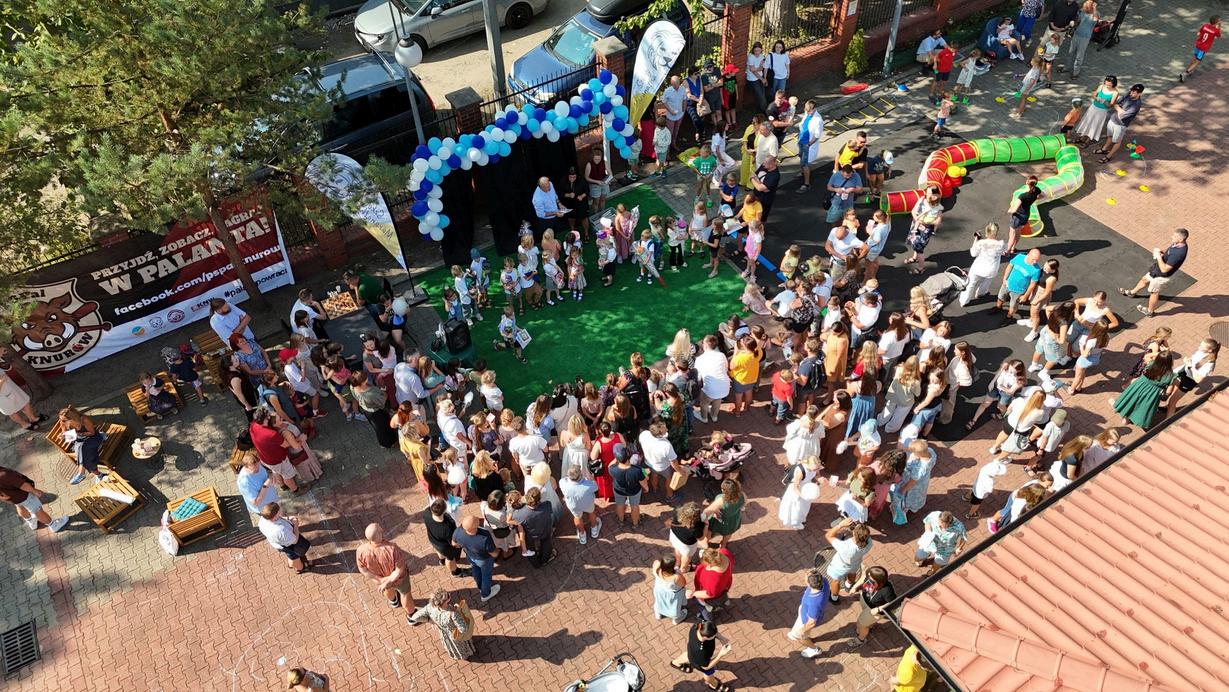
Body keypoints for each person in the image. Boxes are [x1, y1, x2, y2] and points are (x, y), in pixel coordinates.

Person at [356, 522, 426, 624]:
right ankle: (412, 616)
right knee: (405, 594)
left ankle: (393, 601)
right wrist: (388, 581)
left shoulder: (361, 551)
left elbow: (363, 570)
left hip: (381, 580)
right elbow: (399, 569)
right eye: (380, 530)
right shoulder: (392, 549)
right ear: (378, 535)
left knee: (387, 589)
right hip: (398, 579)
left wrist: (381, 580)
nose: (382, 530)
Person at [1119, 228, 1189, 317]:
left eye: (1175, 236)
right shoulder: (1177, 244)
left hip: (1162, 276)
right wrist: (1162, 252)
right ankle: (1132, 293)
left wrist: (1158, 257)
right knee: (1144, 279)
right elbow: (1169, 253)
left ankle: (1150, 312)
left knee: (1154, 292)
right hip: (1157, 269)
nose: (1172, 237)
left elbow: (1165, 269)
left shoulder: (1178, 253)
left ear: (1181, 239)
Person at [1112, 351, 1177, 429]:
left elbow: (1147, 356)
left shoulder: (1151, 364)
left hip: (1139, 386)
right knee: (1142, 406)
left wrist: (1158, 354)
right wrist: (1164, 395)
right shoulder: (1171, 375)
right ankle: (1132, 419)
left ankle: (1126, 418)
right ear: (1170, 362)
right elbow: (1168, 391)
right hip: (1152, 393)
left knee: (1133, 400)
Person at [1, 463, 69, 532]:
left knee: (20, 506)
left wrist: (7, 499)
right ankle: (53, 525)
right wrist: (35, 491)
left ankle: (31, 522)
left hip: (14, 498)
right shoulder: (4, 475)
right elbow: (23, 485)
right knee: (37, 510)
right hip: (24, 495)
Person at [670, 620, 732, 691]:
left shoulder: (700, 625)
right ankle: (714, 685)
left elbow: (713, 631)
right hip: (700, 662)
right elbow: (706, 667)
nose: (715, 636)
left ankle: (675, 663)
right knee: (709, 673)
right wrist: (720, 655)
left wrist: (722, 638)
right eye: (714, 636)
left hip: (691, 650)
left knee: (689, 655)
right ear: (706, 637)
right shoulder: (701, 651)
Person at [451, 515, 501, 602]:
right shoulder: (484, 536)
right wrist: (498, 551)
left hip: (470, 556)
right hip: (484, 560)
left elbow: (454, 544)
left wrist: (465, 546)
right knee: (486, 575)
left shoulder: (458, 531)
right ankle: (485, 594)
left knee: (475, 569)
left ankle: (480, 586)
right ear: (476, 526)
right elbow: (493, 553)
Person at [824, 518, 873, 603]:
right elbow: (862, 536)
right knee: (852, 573)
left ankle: (834, 598)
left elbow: (828, 536)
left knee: (835, 581)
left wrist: (840, 525)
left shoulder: (845, 547)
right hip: (855, 563)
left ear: (854, 534)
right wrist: (858, 530)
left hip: (840, 566)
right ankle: (848, 585)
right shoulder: (869, 543)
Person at [1167, 338, 1220, 415]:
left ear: (1210, 350)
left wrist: (1190, 367)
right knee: (1173, 393)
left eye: (1202, 347)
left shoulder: (1209, 365)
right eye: (1200, 345)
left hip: (1189, 381)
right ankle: (1167, 407)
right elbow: (1193, 360)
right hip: (1184, 373)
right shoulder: (1201, 352)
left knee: (1172, 402)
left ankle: (1168, 419)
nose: (1199, 347)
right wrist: (1188, 360)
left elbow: (1197, 380)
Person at [422, 588, 475, 660]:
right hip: (455, 634)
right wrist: (459, 611)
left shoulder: (432, 609)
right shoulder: (453, 614)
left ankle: (457, 655)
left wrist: (432, 622)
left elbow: (430, 618)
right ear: (445, 601)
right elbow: (463, 629)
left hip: (445, 634)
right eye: (448, 596)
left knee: (452, 646)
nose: (449, 595)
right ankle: (466, 654)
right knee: (461, 645)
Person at [1096, 83, 1144, 163]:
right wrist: (1119, 108)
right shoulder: (1129, 94)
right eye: (1131, 91)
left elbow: (1123, 116)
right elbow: (1116, 102)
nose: (1131, 93)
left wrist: (1118, 107)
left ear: (1139, 94)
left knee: (1117, 142)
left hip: (1121, 125)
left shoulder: (1137, 105)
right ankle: (1104, 149)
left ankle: (1108, 156)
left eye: (1134, 92)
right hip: (1113, 119)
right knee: (1109, 136)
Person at [850, 566, 897, 646]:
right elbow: (863, 578)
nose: (868, 578)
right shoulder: (869, 575)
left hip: (873, 610)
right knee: (866, 621)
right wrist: (855, 587)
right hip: (865, 601)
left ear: (878, 581)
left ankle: (860, 639)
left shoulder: (887, 590)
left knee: (861, 624)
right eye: (868, 575)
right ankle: (869, 625)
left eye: (871, 578)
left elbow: (892, 602)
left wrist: (878, 609)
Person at [788, 569, 830, 659]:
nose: (805, 574)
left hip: (806, 621)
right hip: (806, 611)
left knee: (799, 637)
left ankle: (814, 649)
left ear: (809, 584)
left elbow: (812, 622)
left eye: (807, 576)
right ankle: (807, 637)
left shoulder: (813, 603)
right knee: (803, 634)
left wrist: (802, 631)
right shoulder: (824, 581)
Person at [258, 502, 311, 573]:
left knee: (290, 555)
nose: (280, 511)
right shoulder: (280, 531)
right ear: (275, 515)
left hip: (279, 543)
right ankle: (300, 569)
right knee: (294, 556)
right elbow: (295, 540)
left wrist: (288, 518)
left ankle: (291, 565)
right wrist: (295, 525)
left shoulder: (263, 518)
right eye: (278, 511)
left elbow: (279, 518)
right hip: (288, 545)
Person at [689, 547, 734, 622]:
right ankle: (721, 604)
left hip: (708, 598)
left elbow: (710, 594)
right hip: (723, 587)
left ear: (710, 564)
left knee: (703, 607)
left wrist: (694, 594)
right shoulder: (725, 553)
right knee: (721, 598)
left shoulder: (713, 577)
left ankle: (708, 620)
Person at [915, 510, 966, 574]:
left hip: (945, 549)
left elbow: (964, 538)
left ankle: (932, 571)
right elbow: (927, 522)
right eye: (938, 523)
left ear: (949, 523)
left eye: (942, 526)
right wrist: (928, 532)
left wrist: (959, 548)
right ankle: (917, 561)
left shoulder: (959, 527)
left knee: (939, 563)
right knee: (919, 556)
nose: (939, 526)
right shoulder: (934, 515)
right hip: (930, 543)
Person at [694, 335, 731, 424]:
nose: (702, 344)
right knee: (717, 400)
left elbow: (697, 375)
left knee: (704, 403)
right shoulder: (721, 355)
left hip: (711, 388)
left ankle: (704, 418)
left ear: (706, 345)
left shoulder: (700, 359)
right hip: (725, 387)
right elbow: (726, 367)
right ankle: (714, 416)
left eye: (703, 342)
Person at [996, 249, 1042, 320]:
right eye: (1033, 259)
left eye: (1037, 260)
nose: (1035, 262)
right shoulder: (1019, 257)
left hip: (1018, 291)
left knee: (1013, 306)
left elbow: (1032, 284)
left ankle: (1009, 316)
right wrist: (1004, 279)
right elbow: (1010, 266)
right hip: (1007, 284)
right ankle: (998, 308)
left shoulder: (1036, 270)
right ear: (1028, 255)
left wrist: (1025, 296)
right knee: (1000, 297)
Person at [905, 186, 942, 273]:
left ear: (934, 196)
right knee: (914, 243)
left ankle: (921, 268)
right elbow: (913, 211)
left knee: (919, 249)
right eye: (927, 192)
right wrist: (917, 219)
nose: (926, 194)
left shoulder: (937, 206)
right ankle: (915, 257)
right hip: (917, 225)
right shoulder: (922, 199)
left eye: (929, 193)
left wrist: (926, 222)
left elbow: (937, 221)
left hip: (925, 230)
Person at [559, 465, 600, 544]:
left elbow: (562, 480)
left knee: (577, 517)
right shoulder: (588, 484)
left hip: (574, 505)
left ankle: (582, 535)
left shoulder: (563, 484)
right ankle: (594, 530)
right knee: (591, 513)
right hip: (588, 503)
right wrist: (592, 479)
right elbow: (596, 487)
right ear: (580, 475)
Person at [608, 445, 647, 528]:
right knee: (634, 506)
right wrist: (646, 488)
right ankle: (635, 524)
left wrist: (616, 458)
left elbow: (610, 465)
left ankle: (621, 521)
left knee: (619, 505)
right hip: (634, 491)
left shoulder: (612, 469)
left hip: (619, 490)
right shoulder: (637, 470)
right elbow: (643, 482)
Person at [1073, 74, 1118, 146]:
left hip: (1102, 111)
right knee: (1088, 122)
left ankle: (1088, 141)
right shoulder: (1101, 86)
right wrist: (1096, 98)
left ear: (1113, 84)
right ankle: (1083, 138)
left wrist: (1105, 102)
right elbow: (1094, 94)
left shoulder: (1115, 92)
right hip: (1093, 107)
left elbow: (1111, 105)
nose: (1107, 85)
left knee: (1095, 125)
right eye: (1106, 83)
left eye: (1109, 85)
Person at [779, 454, 821, 530]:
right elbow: (795, 487)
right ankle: (795, 522)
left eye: (817, 468)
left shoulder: (815, 467)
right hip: (798, 490)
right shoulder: (801, 472)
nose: (816, 470)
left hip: (806, 487)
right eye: (814, 469)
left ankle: (801, 518)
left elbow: (817, 475)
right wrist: (803, 496)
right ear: (809, 464)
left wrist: (819, 479)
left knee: (804, 506)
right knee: (797, 508)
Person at [235, 450, 278, 516]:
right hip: (264, 509)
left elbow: (265, 475)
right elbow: (255, 502)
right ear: (246, 467)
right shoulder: (244, 482)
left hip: (272, 500)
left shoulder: (257, 465)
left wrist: (272, 476)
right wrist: (266, 485)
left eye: (258, 466)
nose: (258, 470)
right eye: (254, 469)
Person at [1181, 15, 1222, 82]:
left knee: (1194, 58)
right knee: (1197, 61)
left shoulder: (1205, 25)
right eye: (1219, 20)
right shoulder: (1216, 30)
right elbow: (1219, 36)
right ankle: (1185, 73)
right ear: (1216, 22)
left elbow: (1199, 33)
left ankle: (1191, 70)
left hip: (1198, 45)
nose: (1220, 21)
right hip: (1203, 49)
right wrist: (1219, 26)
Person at [796, 100, 824, 192]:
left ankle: (806, 184)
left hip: (807, 144)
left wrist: (809, 144)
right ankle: (802, 173)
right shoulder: (807, 114)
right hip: (801, 140)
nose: (807, 112)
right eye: (806, 110)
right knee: (801, 158)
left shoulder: (818, 120)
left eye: (809, 111)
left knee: (805, 164)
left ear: (814, 109)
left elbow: (817, 135)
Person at [669, 501, 705, 573]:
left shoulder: (677, 510)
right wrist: (706, 525)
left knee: (677, 548)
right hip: (686, 545)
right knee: (687, 556)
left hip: (674, 535)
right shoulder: (695, 527)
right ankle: (683, 569)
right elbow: (701, 538)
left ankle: (677, 563)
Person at [653, 555, 689, 624]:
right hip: (672, 595)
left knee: (659, 601)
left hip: (659, 590)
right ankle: (676, 618)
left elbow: (656, 562)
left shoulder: (657, 566)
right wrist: (679, 572)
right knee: (673, 607)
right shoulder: (676, 577)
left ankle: (658, 613)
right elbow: (683, 583)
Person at [749, 156, 781, 222]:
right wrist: (758, 182)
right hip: (756, 195)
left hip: (764, 200)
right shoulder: (764, 166)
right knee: (752, 213)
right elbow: (754, 174)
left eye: (766, 163)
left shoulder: (774, 176)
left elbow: (760, 188)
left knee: (761, 218)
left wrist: (752, 179)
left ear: (772, 164)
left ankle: (759, 227)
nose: (763, 164)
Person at [662, 75, 689, 150]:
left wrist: (684, 109)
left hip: (680, 114)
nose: (676, 86)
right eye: (674, 85)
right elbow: (664, 101)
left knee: (676, 131)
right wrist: (670, 111)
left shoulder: (682, 89)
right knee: (669, 133)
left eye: (677, 84)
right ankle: (667, 150)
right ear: (671, 84)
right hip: (671, 116)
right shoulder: (667, 91)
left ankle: (673, 144)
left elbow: (685, 98)